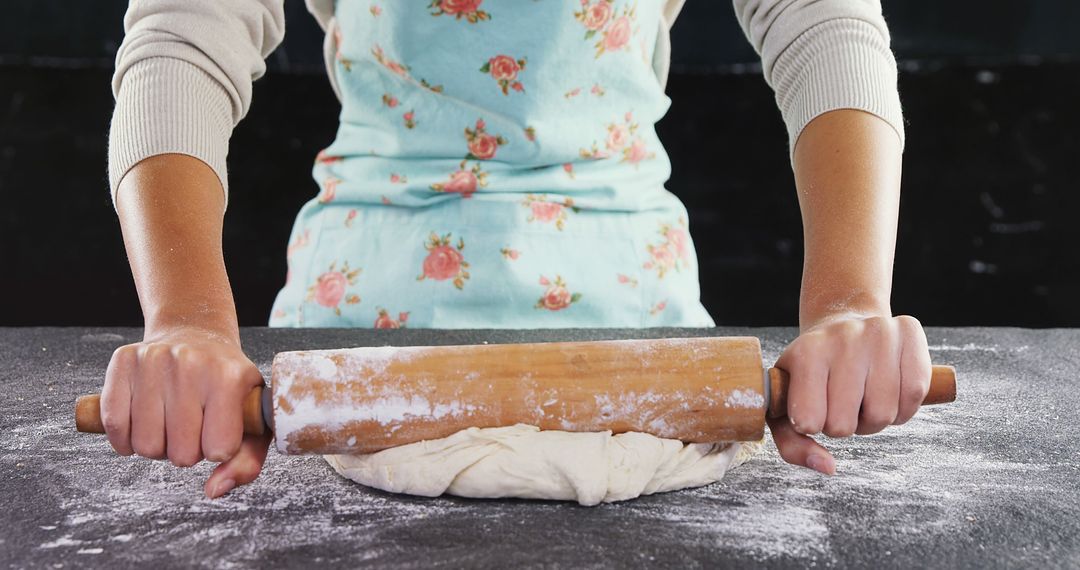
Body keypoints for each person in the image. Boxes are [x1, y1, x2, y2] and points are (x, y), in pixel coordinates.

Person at [100, 0, 931, 499]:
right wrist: (188, 321)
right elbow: (184, 38)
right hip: (355, 337)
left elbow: (824, 25)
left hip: (634, 319)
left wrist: (849, 300)